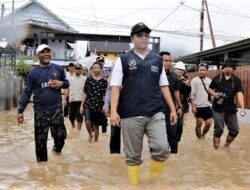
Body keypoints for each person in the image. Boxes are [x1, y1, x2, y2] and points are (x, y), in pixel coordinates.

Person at [110, 22, 177, 184]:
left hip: (156, 112)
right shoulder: (123, 60)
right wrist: (113, 111)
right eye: (140, 35)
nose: (144, 38)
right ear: (132, 38)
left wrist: (173, 109)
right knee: (133, 155)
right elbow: (115, 87)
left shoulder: (157, 60)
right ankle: (135, 186)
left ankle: (154, 184)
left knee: (162, 148)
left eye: (146, 35)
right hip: (130, 113)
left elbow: (164, 85)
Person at [17, 44, 69, 162]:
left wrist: (61, 84)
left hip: (56, 109)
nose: (46, 54)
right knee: (40, 142)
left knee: (61, 136)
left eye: (48, 51)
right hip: (40, 111)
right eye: (42, 52)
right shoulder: (33, 73)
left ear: (51, 54)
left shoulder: (58, 69)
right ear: (37, 55)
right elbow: (27, 92)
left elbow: (66, 83)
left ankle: (57, 149)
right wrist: (20, 110)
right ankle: (42, 170)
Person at [208, 59, 246, 149]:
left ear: (233, 69)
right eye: (226, 67)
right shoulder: (217, 78)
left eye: (230, 67)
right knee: (219, 130)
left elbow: (239, 93)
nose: (228, 69)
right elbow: (209, 89)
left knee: (235, 130)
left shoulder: (236, 80)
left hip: (230, 109)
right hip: (218, 108)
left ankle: (226, 146)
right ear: (223, 68)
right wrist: (214, 94)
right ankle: (216, 151)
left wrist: (243, 108)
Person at [159, 51, 182, 154]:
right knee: (157, 138)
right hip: (156, 110)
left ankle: (173, 158)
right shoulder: (154, 75)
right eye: (165, 60)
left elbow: (176, 91)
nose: (168, 63)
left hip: (170, 110)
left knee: (173, 135)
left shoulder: (173, 76)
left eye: (169, 61)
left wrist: (179, 106)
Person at [80, 62, 108, 142]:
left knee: (96, 125)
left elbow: (104, 96)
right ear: (92, 69)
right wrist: (81, 105)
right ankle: (90, 135)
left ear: (101, 69)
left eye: (97, 68)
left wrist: (105, 106)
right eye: (94, 68)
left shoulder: (104, 82)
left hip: (98, 105)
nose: (95, 69)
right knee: (87, 121)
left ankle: (96, 141)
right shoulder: (88, 79)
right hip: (88, 104)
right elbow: (85, 93)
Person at [190, 63, 213, 140]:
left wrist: (213, 100)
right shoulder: (194, 80)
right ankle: (199, 139)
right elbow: (192, 94)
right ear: (198, 70)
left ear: (206, 71)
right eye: (200, 70)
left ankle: (203, 135)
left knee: (209, 123)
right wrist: (193, 106)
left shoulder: (210, 81)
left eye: (203, 70)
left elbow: (211, 93)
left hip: (207, 106)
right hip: (198, 106)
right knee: (199, 123)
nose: (201, 71)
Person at [64, 63, 87, 130]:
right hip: (72, 99)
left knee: (79, 115)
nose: (77, 70)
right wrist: (64, 99)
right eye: (76, 68)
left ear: (81, 70)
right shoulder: (70, 79)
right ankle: (73, 125)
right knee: (71, 116)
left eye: (79, 69)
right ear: (74, 69)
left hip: (81, 100)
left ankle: (78, 130)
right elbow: (67, 89)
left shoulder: (85, 79)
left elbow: (86, 91)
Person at [174, 61, 191, 142]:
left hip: (181, 105)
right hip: (170, 104)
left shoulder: (185, 81)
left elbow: (187, 94)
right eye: (178, 69)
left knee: (179, 124)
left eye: (181, 70)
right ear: (175, 69)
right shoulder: (169, 78)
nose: (180, 71)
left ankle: (177, 140)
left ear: (184, 71)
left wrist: (188, 86)